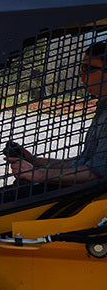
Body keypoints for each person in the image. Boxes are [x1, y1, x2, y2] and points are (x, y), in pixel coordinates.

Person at [7, 41, 107, 186]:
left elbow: (95, 173)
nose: (81, 73)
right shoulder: (102, 109)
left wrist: (38, 174)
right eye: (81, 67)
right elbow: (80, 163)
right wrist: (36, 162)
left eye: (87, 68)